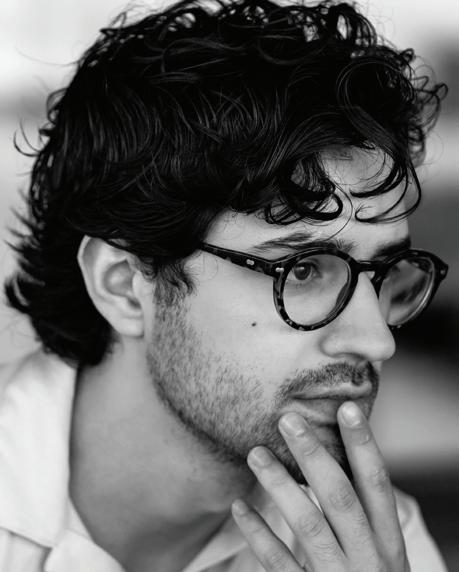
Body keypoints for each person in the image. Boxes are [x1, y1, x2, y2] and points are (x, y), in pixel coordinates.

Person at [0, 0, 450, 570]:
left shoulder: (369, 548)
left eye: (383, 274)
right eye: (302, 270)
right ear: (122, 285)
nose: (377, 341)